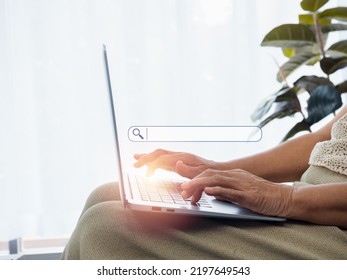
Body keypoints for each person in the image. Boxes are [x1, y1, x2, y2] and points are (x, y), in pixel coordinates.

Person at [61, 106, 347, 260]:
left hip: (333, 226)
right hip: (308, 198)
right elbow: (321, 141)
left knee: (104, 228)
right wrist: (216, 170)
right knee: (107, 194)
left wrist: (285, 200)